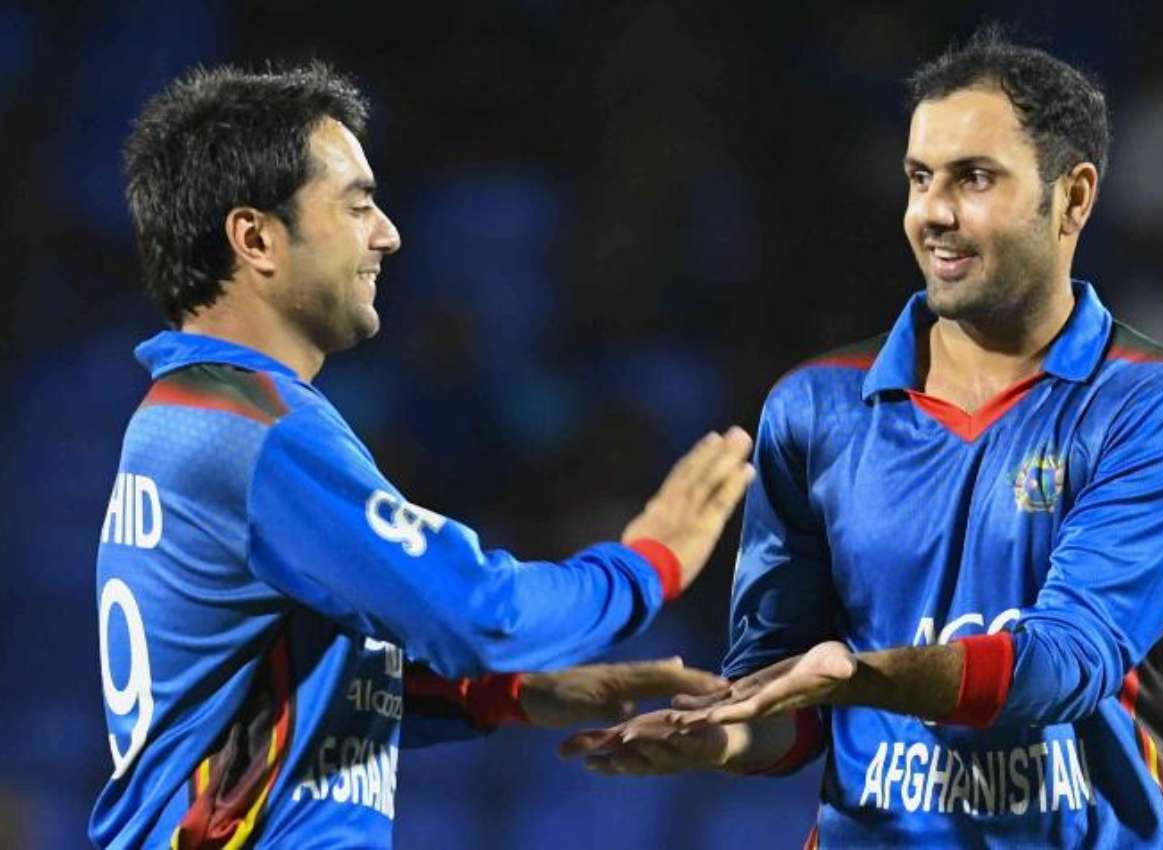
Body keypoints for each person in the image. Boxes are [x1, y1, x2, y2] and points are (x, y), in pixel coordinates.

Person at [562, 29, 1163, 850]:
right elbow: (787, 706)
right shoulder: (813, 409)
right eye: (920, 178)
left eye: (974, 178)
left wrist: (860, 675)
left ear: (1074, 197)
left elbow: (1064, 662)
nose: (933, 213)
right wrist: (723, 737)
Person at [91, 62, 753, 849]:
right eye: (357, 205)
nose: (388, 234)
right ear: (257, 238)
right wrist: (648, 565)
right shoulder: (256, 431)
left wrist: (505, 696)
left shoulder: (186, 419)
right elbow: (482, 614)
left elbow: (276, 693)